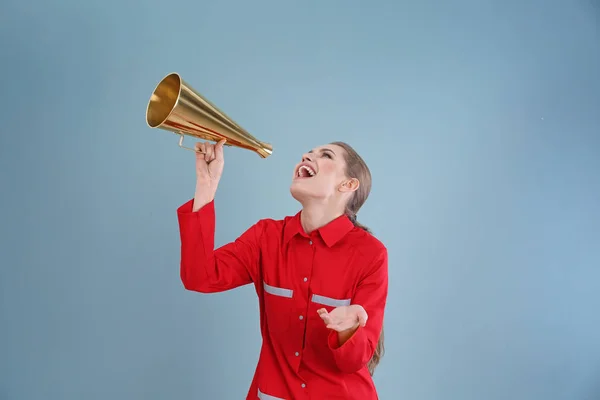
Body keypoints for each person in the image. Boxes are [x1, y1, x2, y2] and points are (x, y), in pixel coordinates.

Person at [177, 138, 388, 400]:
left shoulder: (371, 254)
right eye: (309, 152)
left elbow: (353, 361)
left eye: (326, 156)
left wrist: (347, 331)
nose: (307, 155)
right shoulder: (266, 237)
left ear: (348, 184)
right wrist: (206, 186)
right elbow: (200, 276)